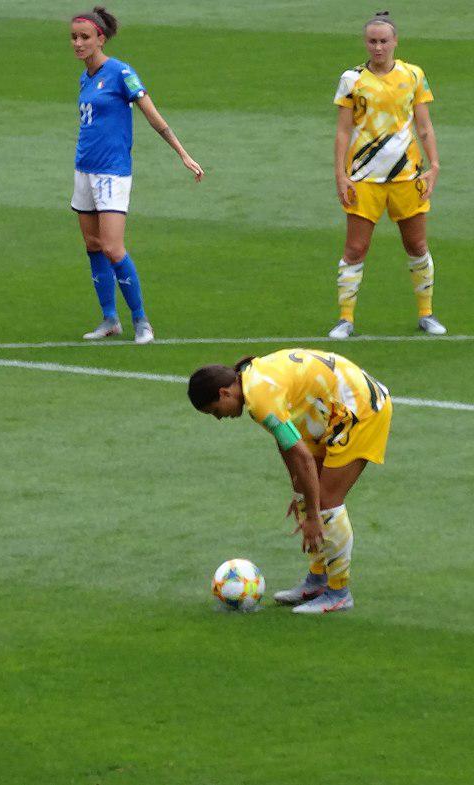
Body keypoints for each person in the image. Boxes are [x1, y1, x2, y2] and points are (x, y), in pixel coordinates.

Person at [187, 348, 393, 614]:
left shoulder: (260, 399)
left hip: (360, 409)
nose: (219, 418)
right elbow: (286, 446)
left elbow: (304, 459)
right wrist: (300, 492)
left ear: (224, 393)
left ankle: (339, 593)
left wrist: (313, 516)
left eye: (215, 411)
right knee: (311, 498)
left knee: (327, 502)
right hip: (330, 410)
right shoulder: (251, 381)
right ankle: (318, 580)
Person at [70, 7, 204, 344]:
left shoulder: (120, 73)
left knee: (114, 248)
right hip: (83, 169)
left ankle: (141, 320)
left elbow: (152, 115)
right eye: (74, 37)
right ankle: (109, 319)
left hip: (112, 173)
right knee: (93, 245)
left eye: (85, 37)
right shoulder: (85, 77)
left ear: (101, 38)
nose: (78, 43)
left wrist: (182, 153)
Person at [329, 10, 446, 339]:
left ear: (395, 42)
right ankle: (345, 319)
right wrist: (341, 175)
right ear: (365, 43)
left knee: (417, 244)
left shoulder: (413, 75)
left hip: (408, 176)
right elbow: (342, 132)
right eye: (372, 41)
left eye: (383, 41)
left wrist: (434, 166)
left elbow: (424, 126)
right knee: (355, 249)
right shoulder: (352, 79)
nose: (378, 47)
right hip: (363, 177)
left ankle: (426, 313)